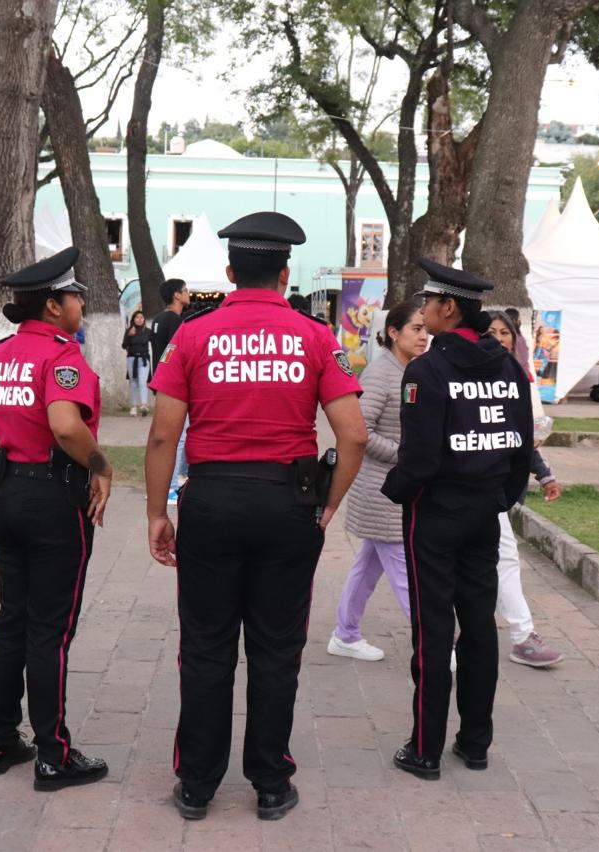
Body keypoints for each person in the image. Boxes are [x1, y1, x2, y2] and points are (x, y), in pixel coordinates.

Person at [144, 211, 366, 821]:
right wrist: (328, 504)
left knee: (206, 646)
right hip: (287, 504)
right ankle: (270, 782)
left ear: (229, 271)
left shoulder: (193, 335)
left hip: (211, 502)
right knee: (276, 648)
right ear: (285, 273)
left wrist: (158, 513)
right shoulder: (315, 336)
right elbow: (353, 435)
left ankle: (197, 784)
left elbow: (163, 435)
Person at [0, 247, 112, 792]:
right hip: (54, 502)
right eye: (75, 296)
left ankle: (1, 741)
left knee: (12, 623)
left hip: (6, 498)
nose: (80, 305)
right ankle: (54, 755)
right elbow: (65, 426)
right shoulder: (61, 357)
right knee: (50, 631)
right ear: (53, 305)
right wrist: (101, 465)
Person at [382, 258, 533, 781]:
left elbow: (419, 458)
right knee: (479, 626)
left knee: (433, 629)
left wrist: (396, 490)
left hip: (436, 513)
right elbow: (521, 445)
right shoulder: (508, 367)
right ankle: (475, 742)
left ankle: (425, 749)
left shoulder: (427, 370)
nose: (423, 311)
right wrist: (500, 497)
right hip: (485, 511)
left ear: (448, 307)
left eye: (428, 302)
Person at [328, 303, 427, 662]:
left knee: (368, 567)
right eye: (416, 328)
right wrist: (405, 455)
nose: (424, 336)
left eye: (425, 328)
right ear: (394, 333)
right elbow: (361, 432)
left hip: (395, 488)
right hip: (381, 492)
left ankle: (345, 634)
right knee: (407, 576)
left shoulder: (409, 370)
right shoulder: (380, 373)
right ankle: (434, 646)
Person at [485, 311, 564, 668]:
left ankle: (520, 636)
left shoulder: (517, 378)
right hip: (467, 487)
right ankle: (517, 635)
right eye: (492, 332)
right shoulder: (466, 376)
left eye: (505, 332)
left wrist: (544, 475)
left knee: (502, 559)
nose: (499, 338)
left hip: (496, 490)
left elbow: (522, 438)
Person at [150, 278, 191, 502]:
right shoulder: (176, 321)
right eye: (185, 290)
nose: (188, 293)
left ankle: (168, 483)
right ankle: (171, 487)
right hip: (174, 387)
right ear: (177, 295)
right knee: (177, 438)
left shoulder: (158, 319)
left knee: (165, 435)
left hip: (161, 382)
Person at [122, 310, 152, 416]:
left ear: (144, 319)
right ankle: (134, 407)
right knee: (133, 382)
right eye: (137, 317)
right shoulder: (129, 330)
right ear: (133, 319)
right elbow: (124, 346)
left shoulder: (148, 331)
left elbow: (155, 342)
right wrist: (129, 336)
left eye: (141, 317)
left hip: (144, 360)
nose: (139, 319)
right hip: (132, 359)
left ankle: (144, 405)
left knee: (143, 382)